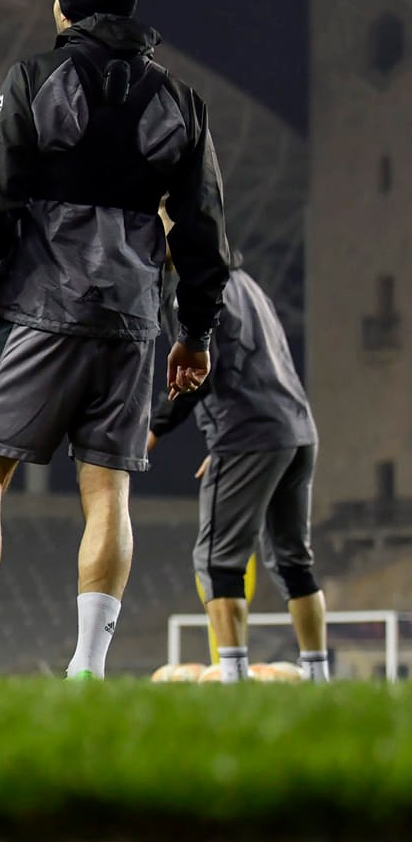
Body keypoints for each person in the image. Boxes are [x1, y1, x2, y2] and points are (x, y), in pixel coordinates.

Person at [0, 0, 230, 680]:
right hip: (131, 323)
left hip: (39, 310)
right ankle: (87, 672)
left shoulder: (35, 78)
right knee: (108, 490)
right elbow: (203, 230)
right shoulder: (181, 101)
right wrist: (194, 332)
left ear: (65, 3)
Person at [149, 241, 327, 683]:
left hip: (248, 435)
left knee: (216, 563)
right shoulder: (249, 285)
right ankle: (319, 677)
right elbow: (262, 364)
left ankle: (233, 678)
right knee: (293, 562)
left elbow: (195, 371)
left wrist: (152, 430)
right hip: (295, 431)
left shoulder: (194, 291)